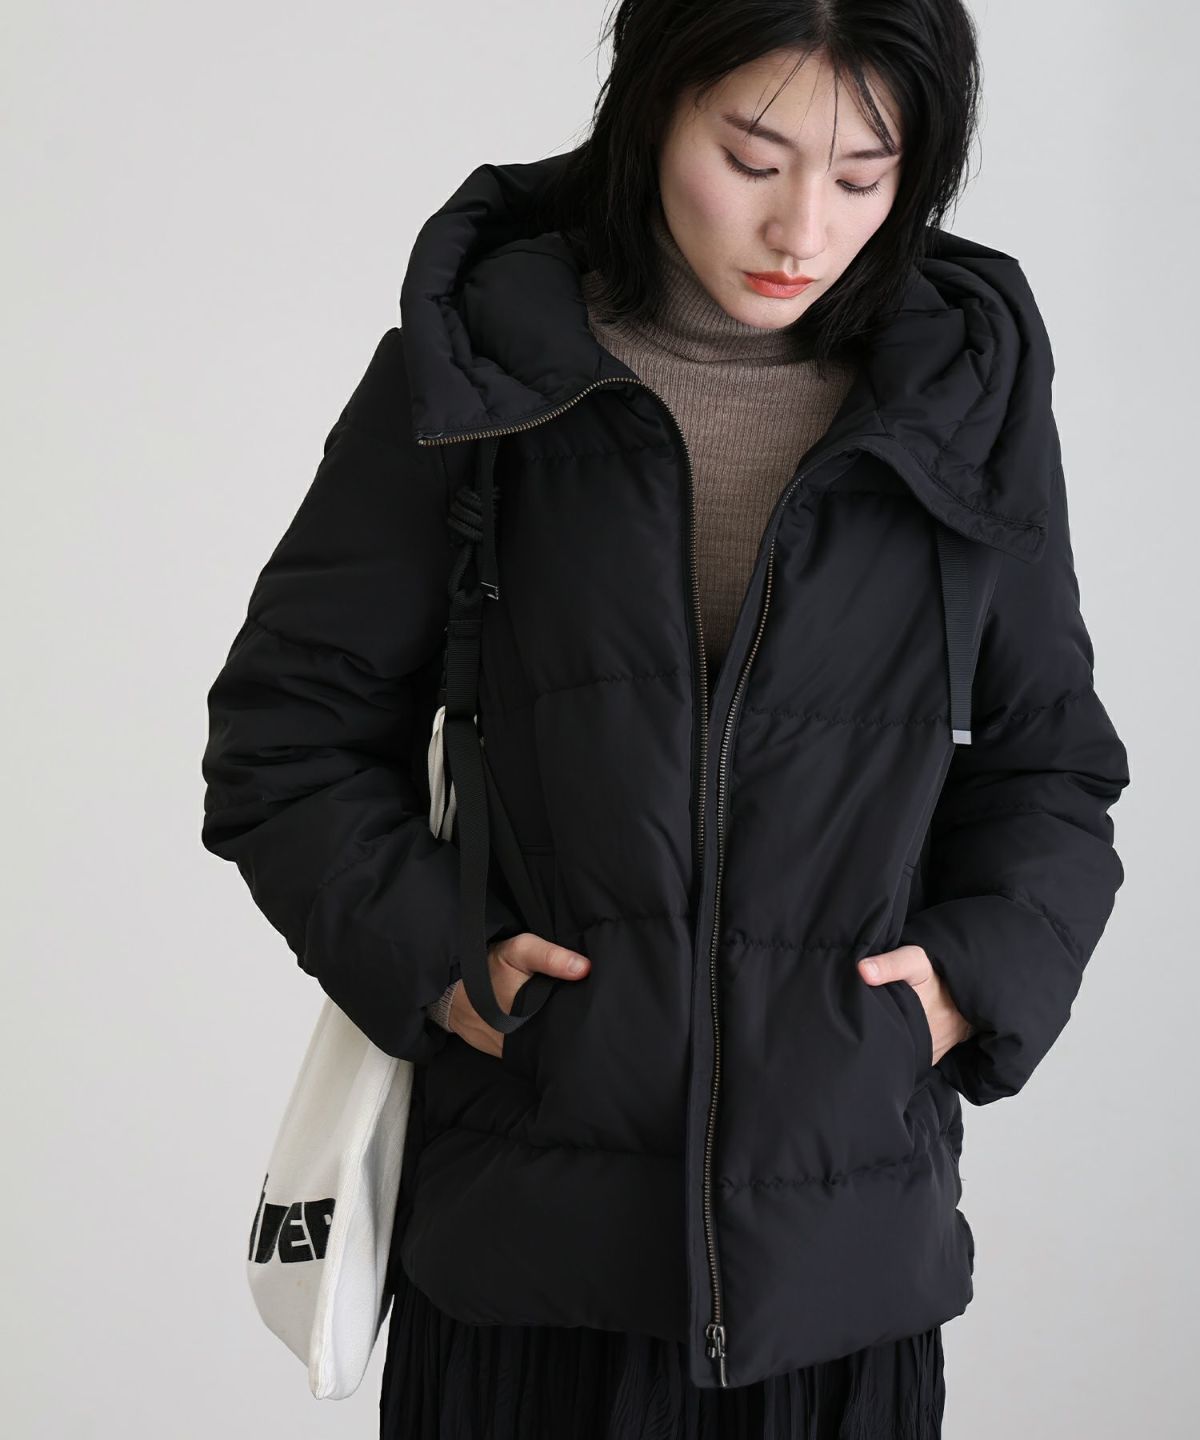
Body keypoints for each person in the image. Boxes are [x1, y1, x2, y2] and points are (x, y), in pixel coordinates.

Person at [200, 2, 1131, 1436]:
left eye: (863, 176)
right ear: (651, 113)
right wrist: (437, 963)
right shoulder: (483, 373)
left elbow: (1049, 763)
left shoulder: (962, 398)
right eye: (752, 157)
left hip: (839, 1285)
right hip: (525, 1279)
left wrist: (965, 987)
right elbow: (286, 731)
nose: (803, 229)